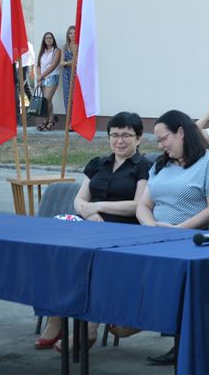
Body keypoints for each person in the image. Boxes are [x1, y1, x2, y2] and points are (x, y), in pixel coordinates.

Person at [34, 112, 151, 351]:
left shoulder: (144, 167)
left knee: (93, 262)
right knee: (55, 254)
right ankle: (56, 319)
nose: (119, 140)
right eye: (114, 135)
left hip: (123, 230)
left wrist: (98, 207)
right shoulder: (98, 163)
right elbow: (79, 200)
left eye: (126, 135)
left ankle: (88, 327)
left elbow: (138, 205)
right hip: (90, 225)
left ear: (138, 138)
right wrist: (88, 214)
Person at [136, 109, 209, 365]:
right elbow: (143, 205)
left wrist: (179, 229)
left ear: (181, 133)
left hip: (192, 239)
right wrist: (152, 227)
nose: (161, 145)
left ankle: (184, 343)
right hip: (159, 237)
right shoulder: (161, 165)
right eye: (158, 141)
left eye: (164, 139)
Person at [35, 31, 61, 131]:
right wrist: (39, 78)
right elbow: (38, 65)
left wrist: (41, 76)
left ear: (53, 39)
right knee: (48, 101)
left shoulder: (57, 51)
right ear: (44, 40)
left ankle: (46, 122)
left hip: (52, 77)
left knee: (46, 100)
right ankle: (50, 121)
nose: (49, 40)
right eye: (47, 38)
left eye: (50, 38)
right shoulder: (43, 51)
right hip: (43, 79)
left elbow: (53, 66)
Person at [60, 25, 76, 114]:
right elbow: (61, 63)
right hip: (66, 74)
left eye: (74, 33)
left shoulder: (79, 46)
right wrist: (69, 63)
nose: (72, 35)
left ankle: (76, 119)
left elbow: (77, 61)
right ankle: (69, 119)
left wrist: (66, 63)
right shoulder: (64, 47)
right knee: (67, 97)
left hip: (77, 74)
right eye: (70, 33)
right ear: (68, 35)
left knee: (75, 96)